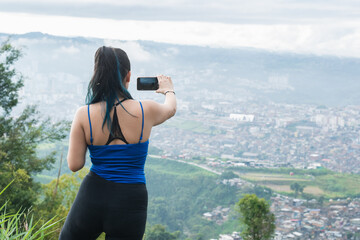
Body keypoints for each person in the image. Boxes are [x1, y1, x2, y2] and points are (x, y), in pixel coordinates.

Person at [59, 46, 176, 240]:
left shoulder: (84, 114)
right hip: (131, 199)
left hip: (93, 195)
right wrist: (168, 90)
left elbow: (75, 165)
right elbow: (170, 109)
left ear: (97, 75)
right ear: (129, 76)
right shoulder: (145, 110)